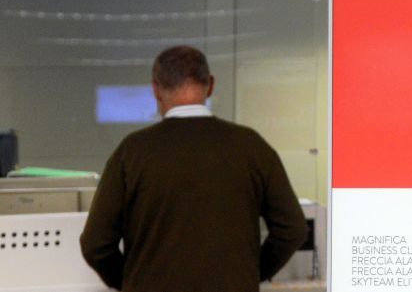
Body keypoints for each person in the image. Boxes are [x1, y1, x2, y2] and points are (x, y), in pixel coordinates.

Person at [80, 45, 308, 292]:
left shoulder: (132, 151)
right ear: (210, 85)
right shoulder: (251, 146)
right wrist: (251, 272)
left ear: (155, 89)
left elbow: (96, 244)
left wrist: (131, 280)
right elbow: (292, 229)